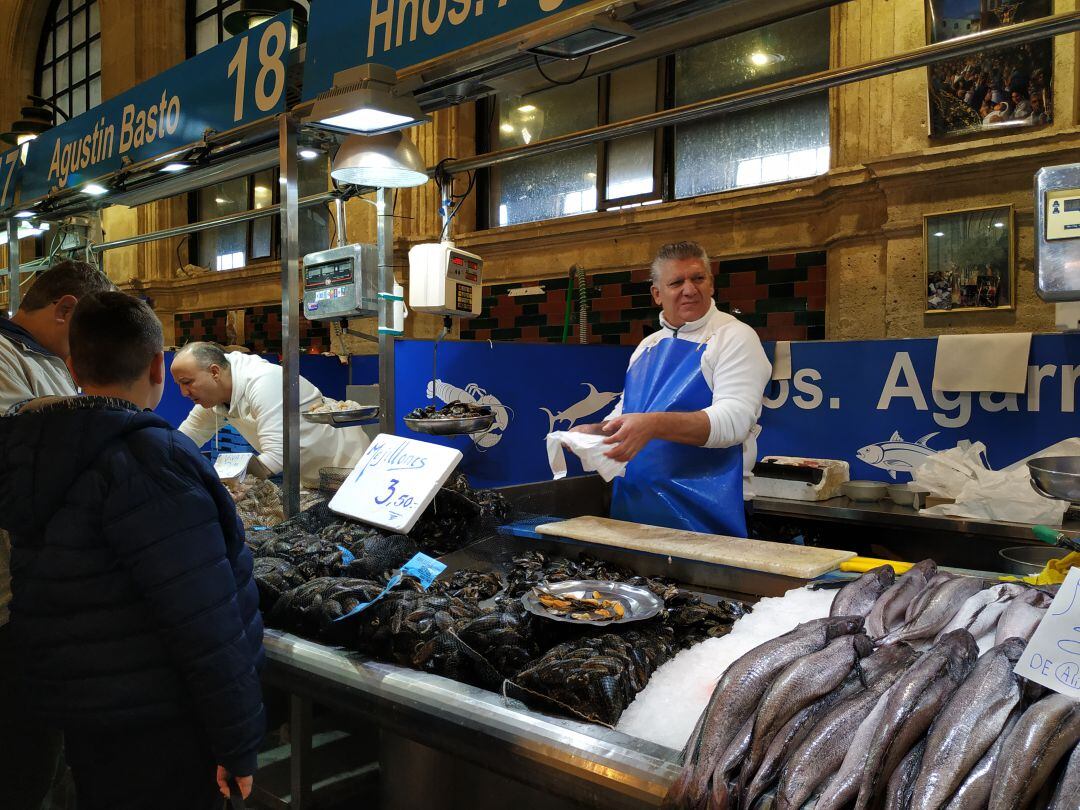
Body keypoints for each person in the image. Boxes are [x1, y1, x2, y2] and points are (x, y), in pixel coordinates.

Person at [0, 292, 265, 810]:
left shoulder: (33, 449)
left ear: (71, 366)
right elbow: (203, 621)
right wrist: (238, 740)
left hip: (83, 713)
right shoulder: (151, 461)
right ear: (157, 365)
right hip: (159, 725)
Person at [0, 259, 113, 810]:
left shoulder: (44, 359)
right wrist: (108, 412)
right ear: (65, 308)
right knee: (22, 753)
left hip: (43, 592)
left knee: (48, 750)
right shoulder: (3, 354)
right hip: (8, 596)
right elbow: (19, 444)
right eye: (88, 330)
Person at [573, 241, 772, 537]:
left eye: (698, 278)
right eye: (677, 282)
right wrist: (596, 431)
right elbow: (626, 414)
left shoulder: (734, 337)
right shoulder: (646, 347)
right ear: (657, 294)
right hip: (636, 505)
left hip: (709, 511)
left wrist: (652, 425)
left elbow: (735, 422)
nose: (690, 289)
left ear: (712, 283)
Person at [171, 342, 369, 487]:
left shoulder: (264, 382)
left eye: (187, 382)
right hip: (310, 478)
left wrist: (221, 485)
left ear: (214, 372)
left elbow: (276, 457)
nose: (183, 393)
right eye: (179, 385)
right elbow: (182, 443)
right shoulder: (215, 396)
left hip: (350, 468)